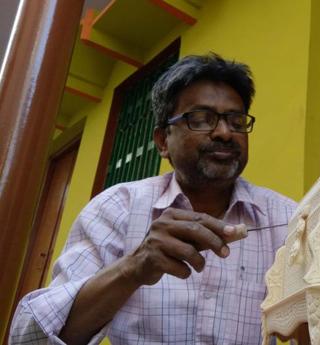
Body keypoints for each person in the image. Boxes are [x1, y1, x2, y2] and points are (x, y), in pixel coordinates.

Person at [10, 53, 296, 345]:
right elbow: (29, 337)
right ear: (162, 142)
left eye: (236, 121)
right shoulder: (117, 208)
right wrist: (133, 268)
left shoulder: (290, 220)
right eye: (201, 119)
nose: (224, 132)